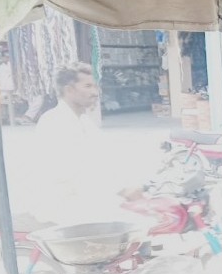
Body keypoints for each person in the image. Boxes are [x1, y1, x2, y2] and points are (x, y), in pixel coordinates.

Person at [30, 62, 141, 224]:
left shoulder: (84, 121)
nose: (95, 92)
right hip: (63, 202)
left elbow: (105, 160)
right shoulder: (55, 122)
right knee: (131, 223)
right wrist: (122, 190)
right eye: (88, 86)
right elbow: (79, 171)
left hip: (84, 196)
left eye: (95, 87)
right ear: (69, 90)